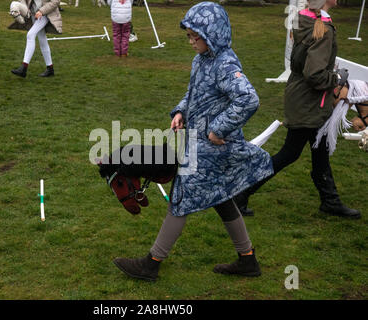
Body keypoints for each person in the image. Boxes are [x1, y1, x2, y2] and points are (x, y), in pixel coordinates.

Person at [113, 2, 274, 281]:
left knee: (181, 196)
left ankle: (151, 264)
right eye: (188, 36)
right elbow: (194, 95)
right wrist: (180, 112)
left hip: (212, 146)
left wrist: (219, 129)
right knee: (222, 199)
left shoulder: (224, 64)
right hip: (198, 142)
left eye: (194, 36)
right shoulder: (201, 60)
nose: (190, 41)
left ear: (211, 34)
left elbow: (249, 99)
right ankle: (247, 259)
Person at [233, 0, 361, 219]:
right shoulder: (323, 29)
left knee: (320, 151)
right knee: (289, 154)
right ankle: (241, 193)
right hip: (309, 103)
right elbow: (315, 74)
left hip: (302, 97)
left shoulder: (306, 20)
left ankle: (330, 201)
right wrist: (337, 78)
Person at [9, 0, 62, 78]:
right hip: (34, 14)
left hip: (45, 14)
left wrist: (41, 11)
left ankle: (24, 68)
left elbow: (56, 1)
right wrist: (24, 9)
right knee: (42, 40)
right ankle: (50, 69)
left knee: (30, 35)